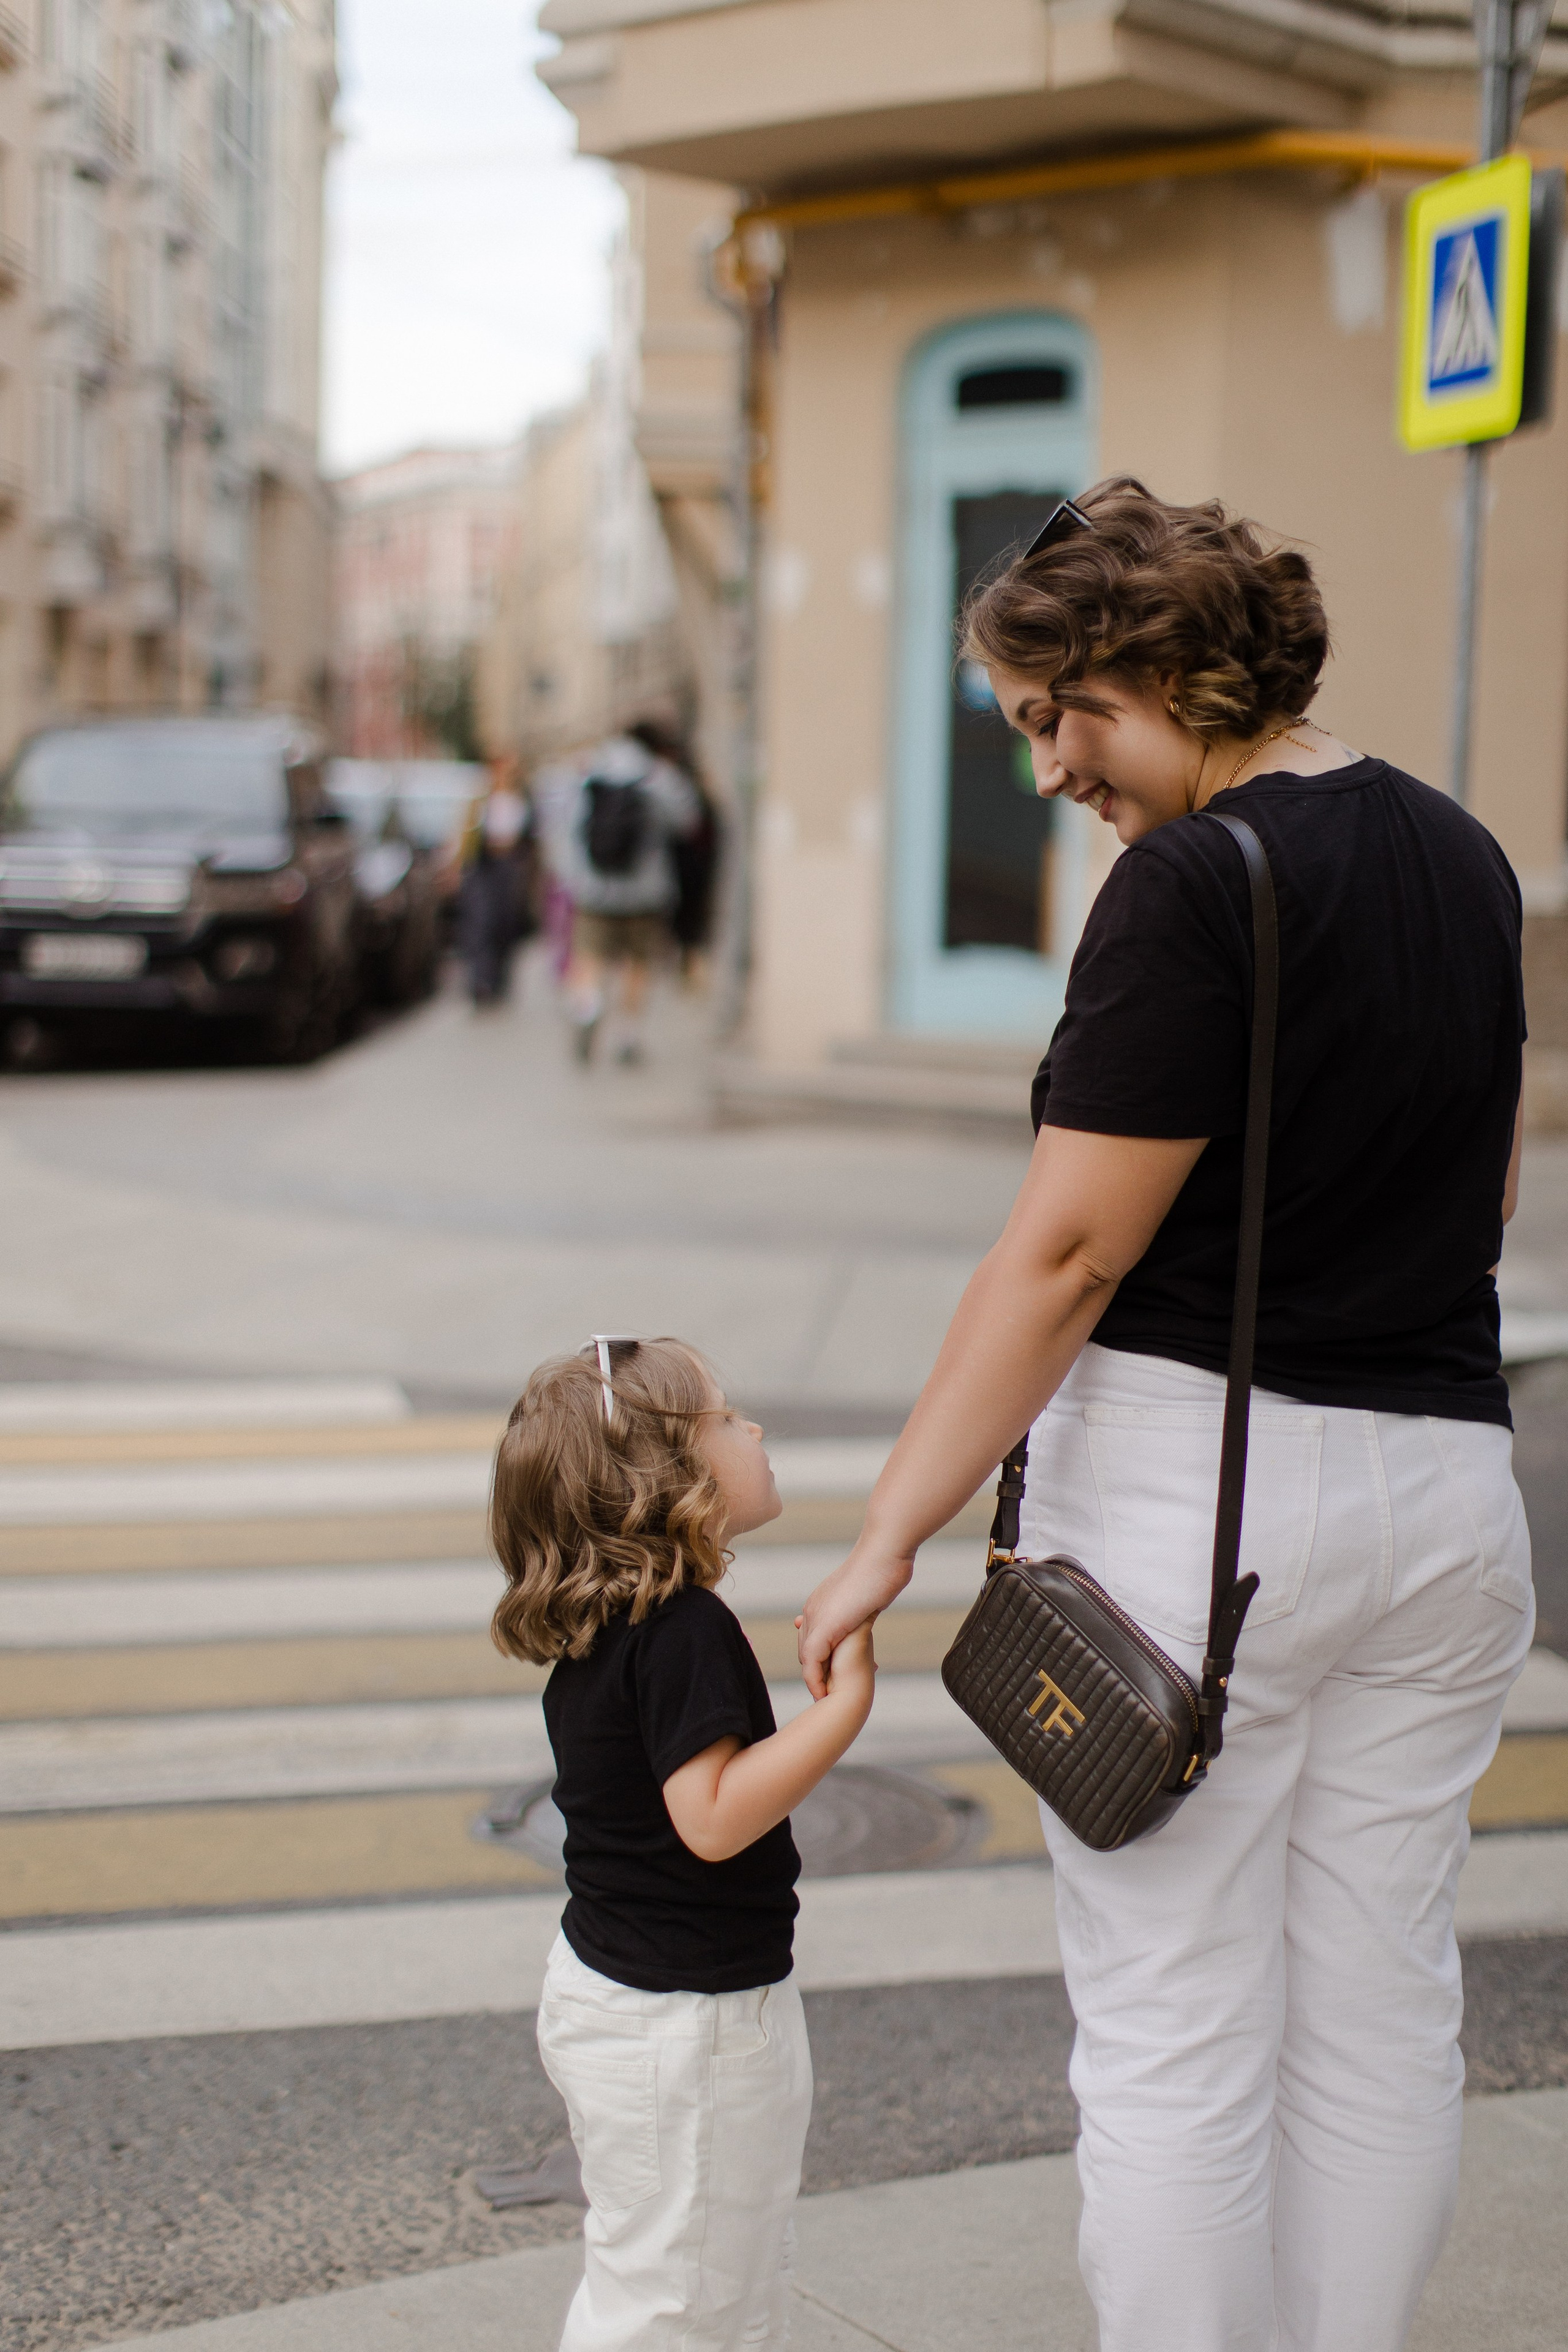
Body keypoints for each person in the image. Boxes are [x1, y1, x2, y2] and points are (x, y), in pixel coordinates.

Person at [796, 478, 1531, 2352]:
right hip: (1452, 1497)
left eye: (1065, 713)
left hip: (1208, 1508)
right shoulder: (1462, 857)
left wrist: (888, 1528)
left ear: (1174, 666)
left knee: (1173, 2025)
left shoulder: (1196, 883)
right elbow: (1482, 1189)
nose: (1048, 768)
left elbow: (1063, 1256)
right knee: (1380, 2006)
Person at [489, 1336, 876, 2352]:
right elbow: (711, 1820)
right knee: (684, 2306)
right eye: (726, 1417)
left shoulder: (609, 1630)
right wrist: (843, 1712)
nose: (754, 1427)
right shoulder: (683, 1629)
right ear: (667, 1476)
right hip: (686, 2027)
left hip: (631, 2003)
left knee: (680, 2281)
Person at [549, 730, 701, 1064]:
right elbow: (686, 821)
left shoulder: (588, 774)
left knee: (589, 957)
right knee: (638, 962)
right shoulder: (656, 776)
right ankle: (628, 1035)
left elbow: (565, 829)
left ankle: (588, 1008)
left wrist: (571, 880)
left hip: (594, 891)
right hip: (645, 893)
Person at [625, 717, 722, 989]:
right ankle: (689, 974)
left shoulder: (620, 774)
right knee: (642, 956)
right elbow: (691, 823)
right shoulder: (668, 778)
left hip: (631, 880)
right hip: (671, 874)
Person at [458, 755, 533, 1006]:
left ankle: (500, 981)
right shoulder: (481, 799)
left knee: (505, 924)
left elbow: (529, 838)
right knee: (481, 923)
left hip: (510, 867)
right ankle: (481, 982)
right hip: (484, 866)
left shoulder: (522, 799)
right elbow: (466, 833)